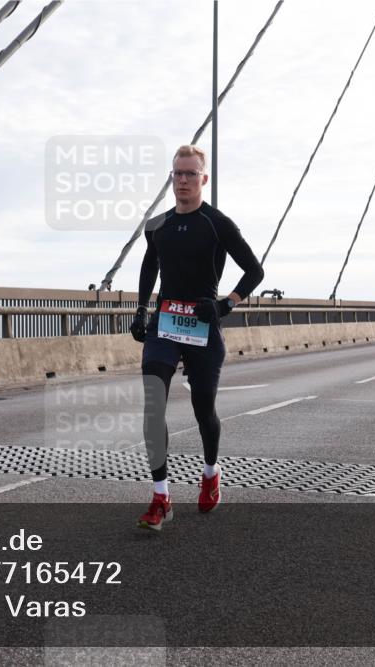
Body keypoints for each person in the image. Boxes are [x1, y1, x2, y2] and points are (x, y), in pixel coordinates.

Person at [130, 145, 264, 530]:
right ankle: (161, 496)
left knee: (203, 410)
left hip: (204, 325)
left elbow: (254, 271)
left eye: (191, 174)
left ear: (203, 179)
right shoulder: (157, 226)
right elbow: (149, 268)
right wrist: (141, 311)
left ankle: (210, 472)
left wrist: (226, 305)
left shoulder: (217, 223)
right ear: (171, 178)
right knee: (153, 402)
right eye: (177, 174)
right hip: (166, 323)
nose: (183, 181)